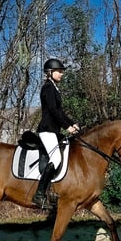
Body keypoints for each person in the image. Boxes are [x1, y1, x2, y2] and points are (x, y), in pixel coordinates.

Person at [32, 58, 80, 208]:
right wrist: (67, 127)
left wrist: (72, 123)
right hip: (47, 130)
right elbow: (53, 111)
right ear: (50, 72)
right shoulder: (48, 88)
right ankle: (39, 195)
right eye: (59, 71)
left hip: (54, 130)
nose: (62, 74)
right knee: (56, 158)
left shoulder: (54, 88)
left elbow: (60, 112)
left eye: (61, 72)